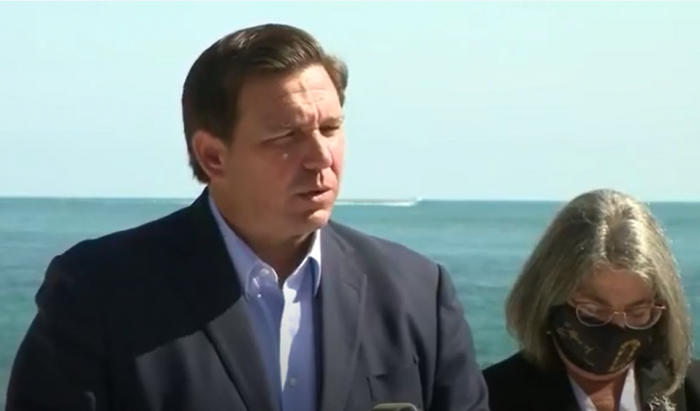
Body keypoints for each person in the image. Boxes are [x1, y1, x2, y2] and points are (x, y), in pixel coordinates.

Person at [5, 23, 489, 411]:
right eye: (286, 137)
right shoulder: (99, 291)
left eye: (330, 127)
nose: (321, 157)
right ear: (213, 156)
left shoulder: (417, 292)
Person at [482, 189, 700, 411]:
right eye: (593, 310)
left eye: (638, 313)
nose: (618, 330)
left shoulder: (691, 389)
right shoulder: (487, 399)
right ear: (546, 299)